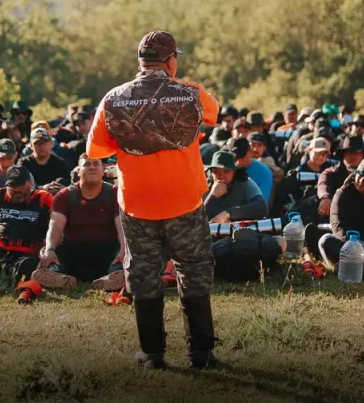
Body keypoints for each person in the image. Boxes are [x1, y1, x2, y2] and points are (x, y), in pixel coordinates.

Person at [86, 30, 219, 370]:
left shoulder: (113, 99)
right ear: (171, 61)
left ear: (140, 61)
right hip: (185, 202)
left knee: (143, 275)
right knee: (194, 271)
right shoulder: (191, 94)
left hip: (137, 204)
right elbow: (214, 114)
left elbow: (95, 151)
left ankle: (153, 355)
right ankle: (200, 355)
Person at [34, 156, 125, 290]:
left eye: (96, 164)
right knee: (48, 251)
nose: (92, 167)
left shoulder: (115, 193)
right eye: (87, 164)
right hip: (74, 251)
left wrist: (124, 249)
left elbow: (122, 226)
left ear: (103, 171)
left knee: (127, 251)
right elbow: (55, 226)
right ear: (78, 171)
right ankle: (59, 278)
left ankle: (113, 278)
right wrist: (50, 249)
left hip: (108, 251)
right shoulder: (64, 195)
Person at [269, 137, 333, 220]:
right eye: (318, 153)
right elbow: (282, 193)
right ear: (309, 150)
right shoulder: (298, 173)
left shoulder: (330, 170)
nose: (321, 157)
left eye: (324, 154)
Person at [204, 151, 268, 223]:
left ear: (234, 172)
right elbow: (197, 219)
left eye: (226, 171)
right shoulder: (204, 185)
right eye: (216, 171)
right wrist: (213, 195)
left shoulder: (244, 182)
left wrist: (228, 213)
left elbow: (261, 207)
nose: (221, 176)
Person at [23, 127, 71, 193]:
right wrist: (42, 189)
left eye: (44, 142)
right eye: (37, 143)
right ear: (31, 145)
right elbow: (21, 186)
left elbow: (70, 185)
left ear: (51, 143)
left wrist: (62, 188)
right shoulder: (24, 164)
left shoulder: (61, 164)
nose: (41, 146)